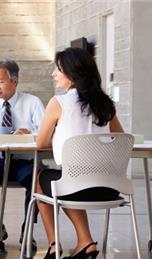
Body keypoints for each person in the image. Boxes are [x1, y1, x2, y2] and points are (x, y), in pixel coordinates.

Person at [34, 47, 124, 259]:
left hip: (75, 187)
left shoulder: (59, 103)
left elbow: (40, 143)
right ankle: (85, 242)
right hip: (109, 188)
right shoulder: (105, 104)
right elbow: (120, 138)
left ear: (72, 74)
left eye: (58, 70)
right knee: (70, 180)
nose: (54, 74)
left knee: (40, 178)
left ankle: (54, 245)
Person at [0, 59, 45, 249]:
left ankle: (27, 228)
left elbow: (45, 134)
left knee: (36, 179)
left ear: (15, 81)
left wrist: (29, 134)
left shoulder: (32, 102)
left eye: (1, 81)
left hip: (26, 162)